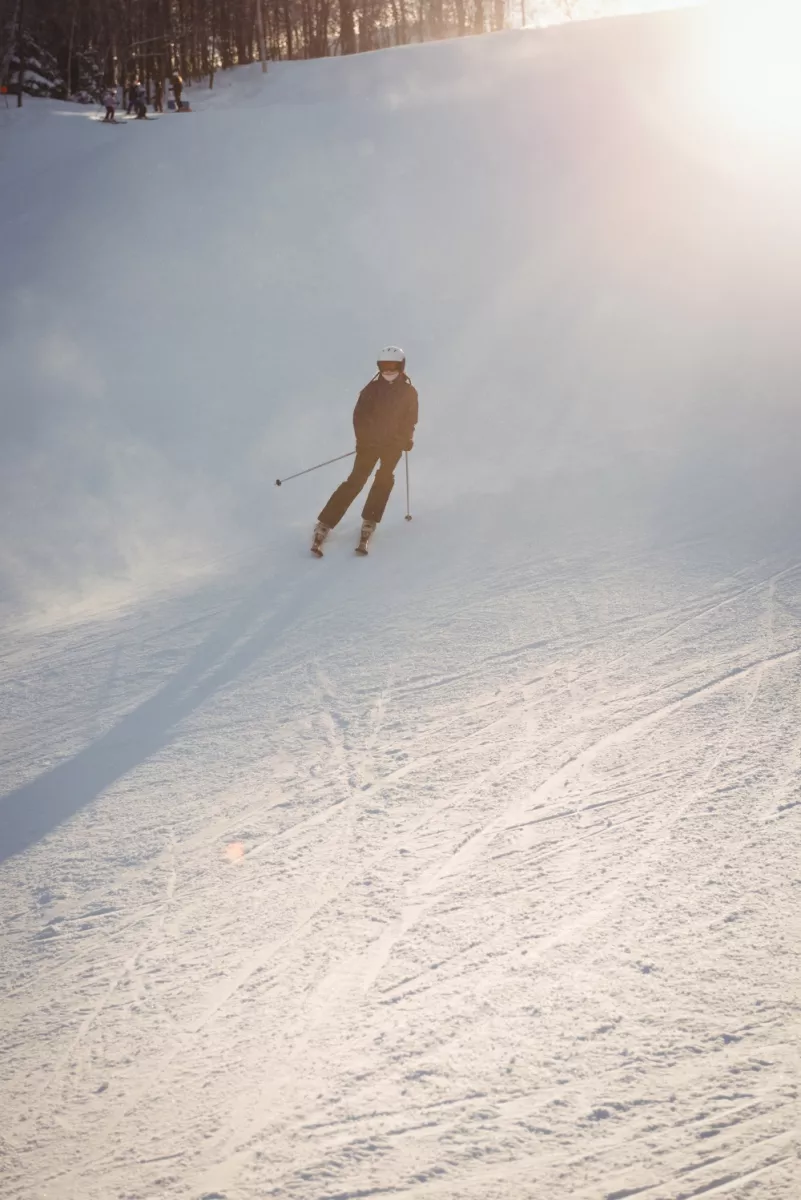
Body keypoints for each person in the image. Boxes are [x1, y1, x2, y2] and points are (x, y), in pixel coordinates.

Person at [312, 347, 418, 556]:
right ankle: (326, 521)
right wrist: (364, 440)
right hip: (370, 445)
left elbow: (410, 419)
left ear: (401, 366)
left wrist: (405, 439)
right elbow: (359, 417)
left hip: (392, 446)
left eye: (392, 366)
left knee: (384, 477)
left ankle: (370, 519)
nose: (388, 370)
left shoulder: (409, 392)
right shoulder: (371, 389)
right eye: (384, 366)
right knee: (357, 480)